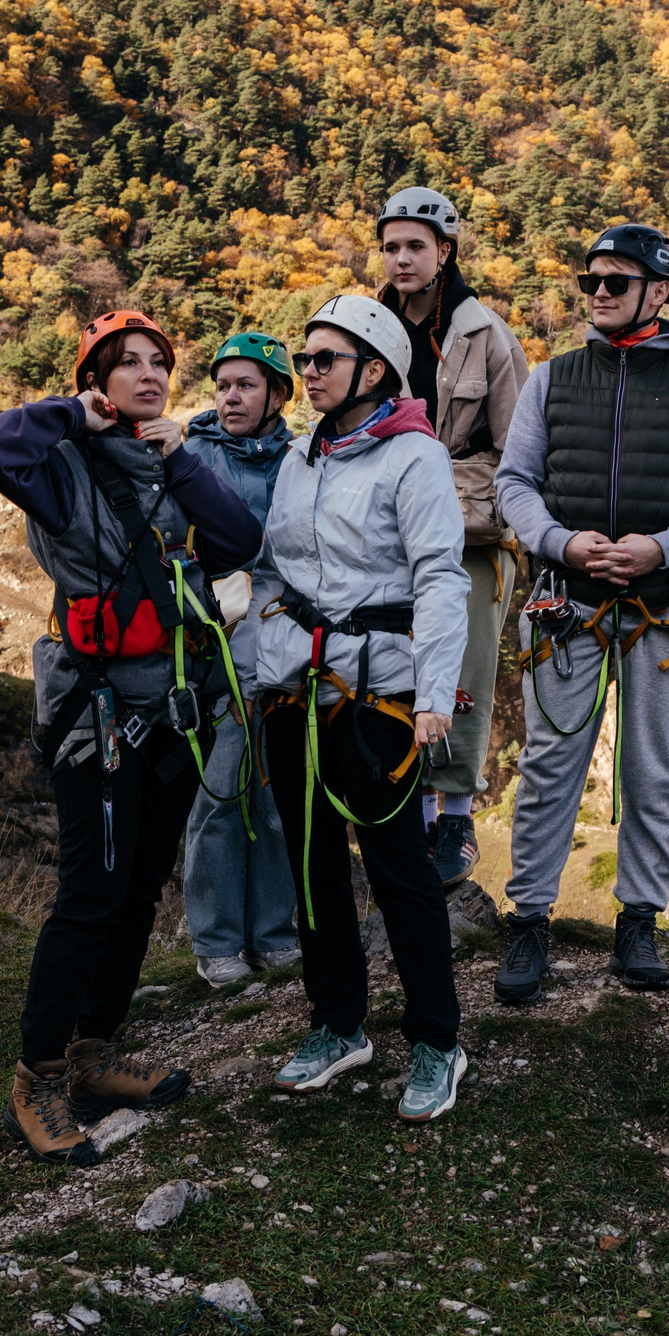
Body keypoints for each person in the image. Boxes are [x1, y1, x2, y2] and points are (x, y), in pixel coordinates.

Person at [0, 311, 263, 1164]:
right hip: (98, 718)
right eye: (125, 364)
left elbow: (240, 540)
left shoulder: (171, 463)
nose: (147, 375)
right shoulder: (60, 470)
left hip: (172, 711)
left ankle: (95, 1053)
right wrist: (74, 412)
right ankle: (41, 1079)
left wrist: (182, 457)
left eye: (157, 363)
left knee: (137, 890)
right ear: (97, 380)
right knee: (89, 897)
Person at [490, 225, 669, 1004]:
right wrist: (563, 543)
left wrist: (663, 547)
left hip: (661, 604)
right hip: (565, 600)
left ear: (660, 291)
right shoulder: (552, 379)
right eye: (591, 282)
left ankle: (637, 920)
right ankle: (529, 920)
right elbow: (515, 482)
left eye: (616, 281)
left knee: (648, 770)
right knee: (548, 767)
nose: (598, 292)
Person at [248, 295, 473, 1121]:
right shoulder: (303, 454)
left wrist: (434, 695)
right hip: (297, 690)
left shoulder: (413, 459)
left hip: (375, 691)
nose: (304, 373)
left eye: (322, 361)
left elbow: (441, 577)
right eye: (303, 361)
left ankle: (436, 1041)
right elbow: (275, 571)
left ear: (372, 371)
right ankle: (338, 1023)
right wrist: (259, 669)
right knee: (311, 863)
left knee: (397, 868)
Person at [374, 187, 529, 889]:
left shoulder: (483, 334)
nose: (402, 258)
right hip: (385, 531)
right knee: (391, 668)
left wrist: (449, 486)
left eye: (415, 246)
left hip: (471, 533)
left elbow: (520, 447)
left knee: (461, 672)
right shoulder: (367, 332)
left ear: (444, 251)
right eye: (391, 246)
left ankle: (457, 817)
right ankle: (407, 811)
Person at [178, 333, 305, 988]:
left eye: (246, 385)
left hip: (290, 649)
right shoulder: (193, 454)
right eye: (223, 385)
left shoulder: (303, 459)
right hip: (220, 651)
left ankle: (275, 933)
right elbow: (171, 546)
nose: (231, 396)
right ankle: (217, 939)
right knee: (223, 792)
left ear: (278, 394)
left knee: (281, 795)